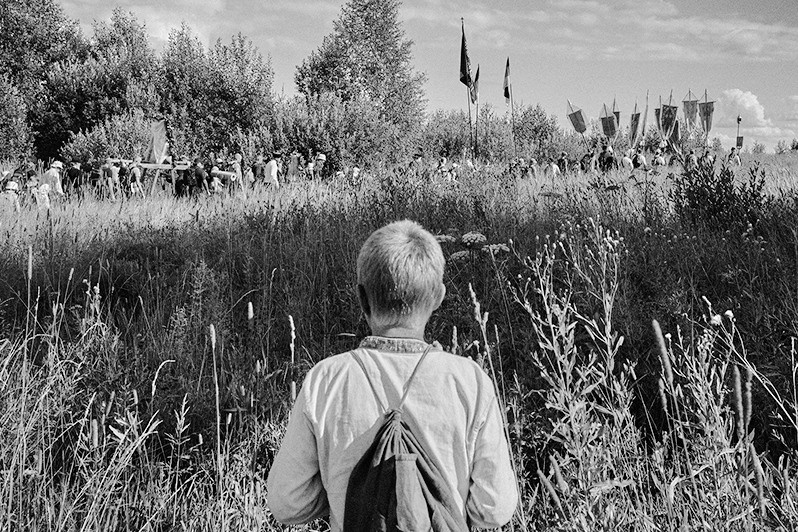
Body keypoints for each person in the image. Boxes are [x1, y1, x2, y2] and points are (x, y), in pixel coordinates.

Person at [267, 220, 518, 531]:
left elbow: (288, 503)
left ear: (362, 298)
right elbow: (495, 508)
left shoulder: (326, 380)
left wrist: (343, 497)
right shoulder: (470, 381)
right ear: (438, 297)